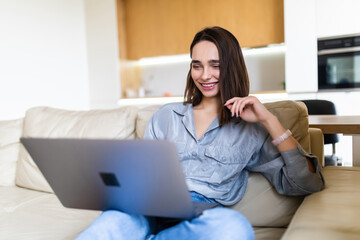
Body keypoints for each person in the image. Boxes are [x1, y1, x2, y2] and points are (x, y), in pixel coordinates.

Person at [76, 26, 325, 240]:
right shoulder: (165, 116)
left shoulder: (252, 129)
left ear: (232, 68)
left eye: (215, 65)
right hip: (146, 209)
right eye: (197, 66)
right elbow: (141, 175)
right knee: (110, 223)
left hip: (200, 216)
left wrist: (270, 120)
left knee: (234, 228)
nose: (205, 75)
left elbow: (306, 183)